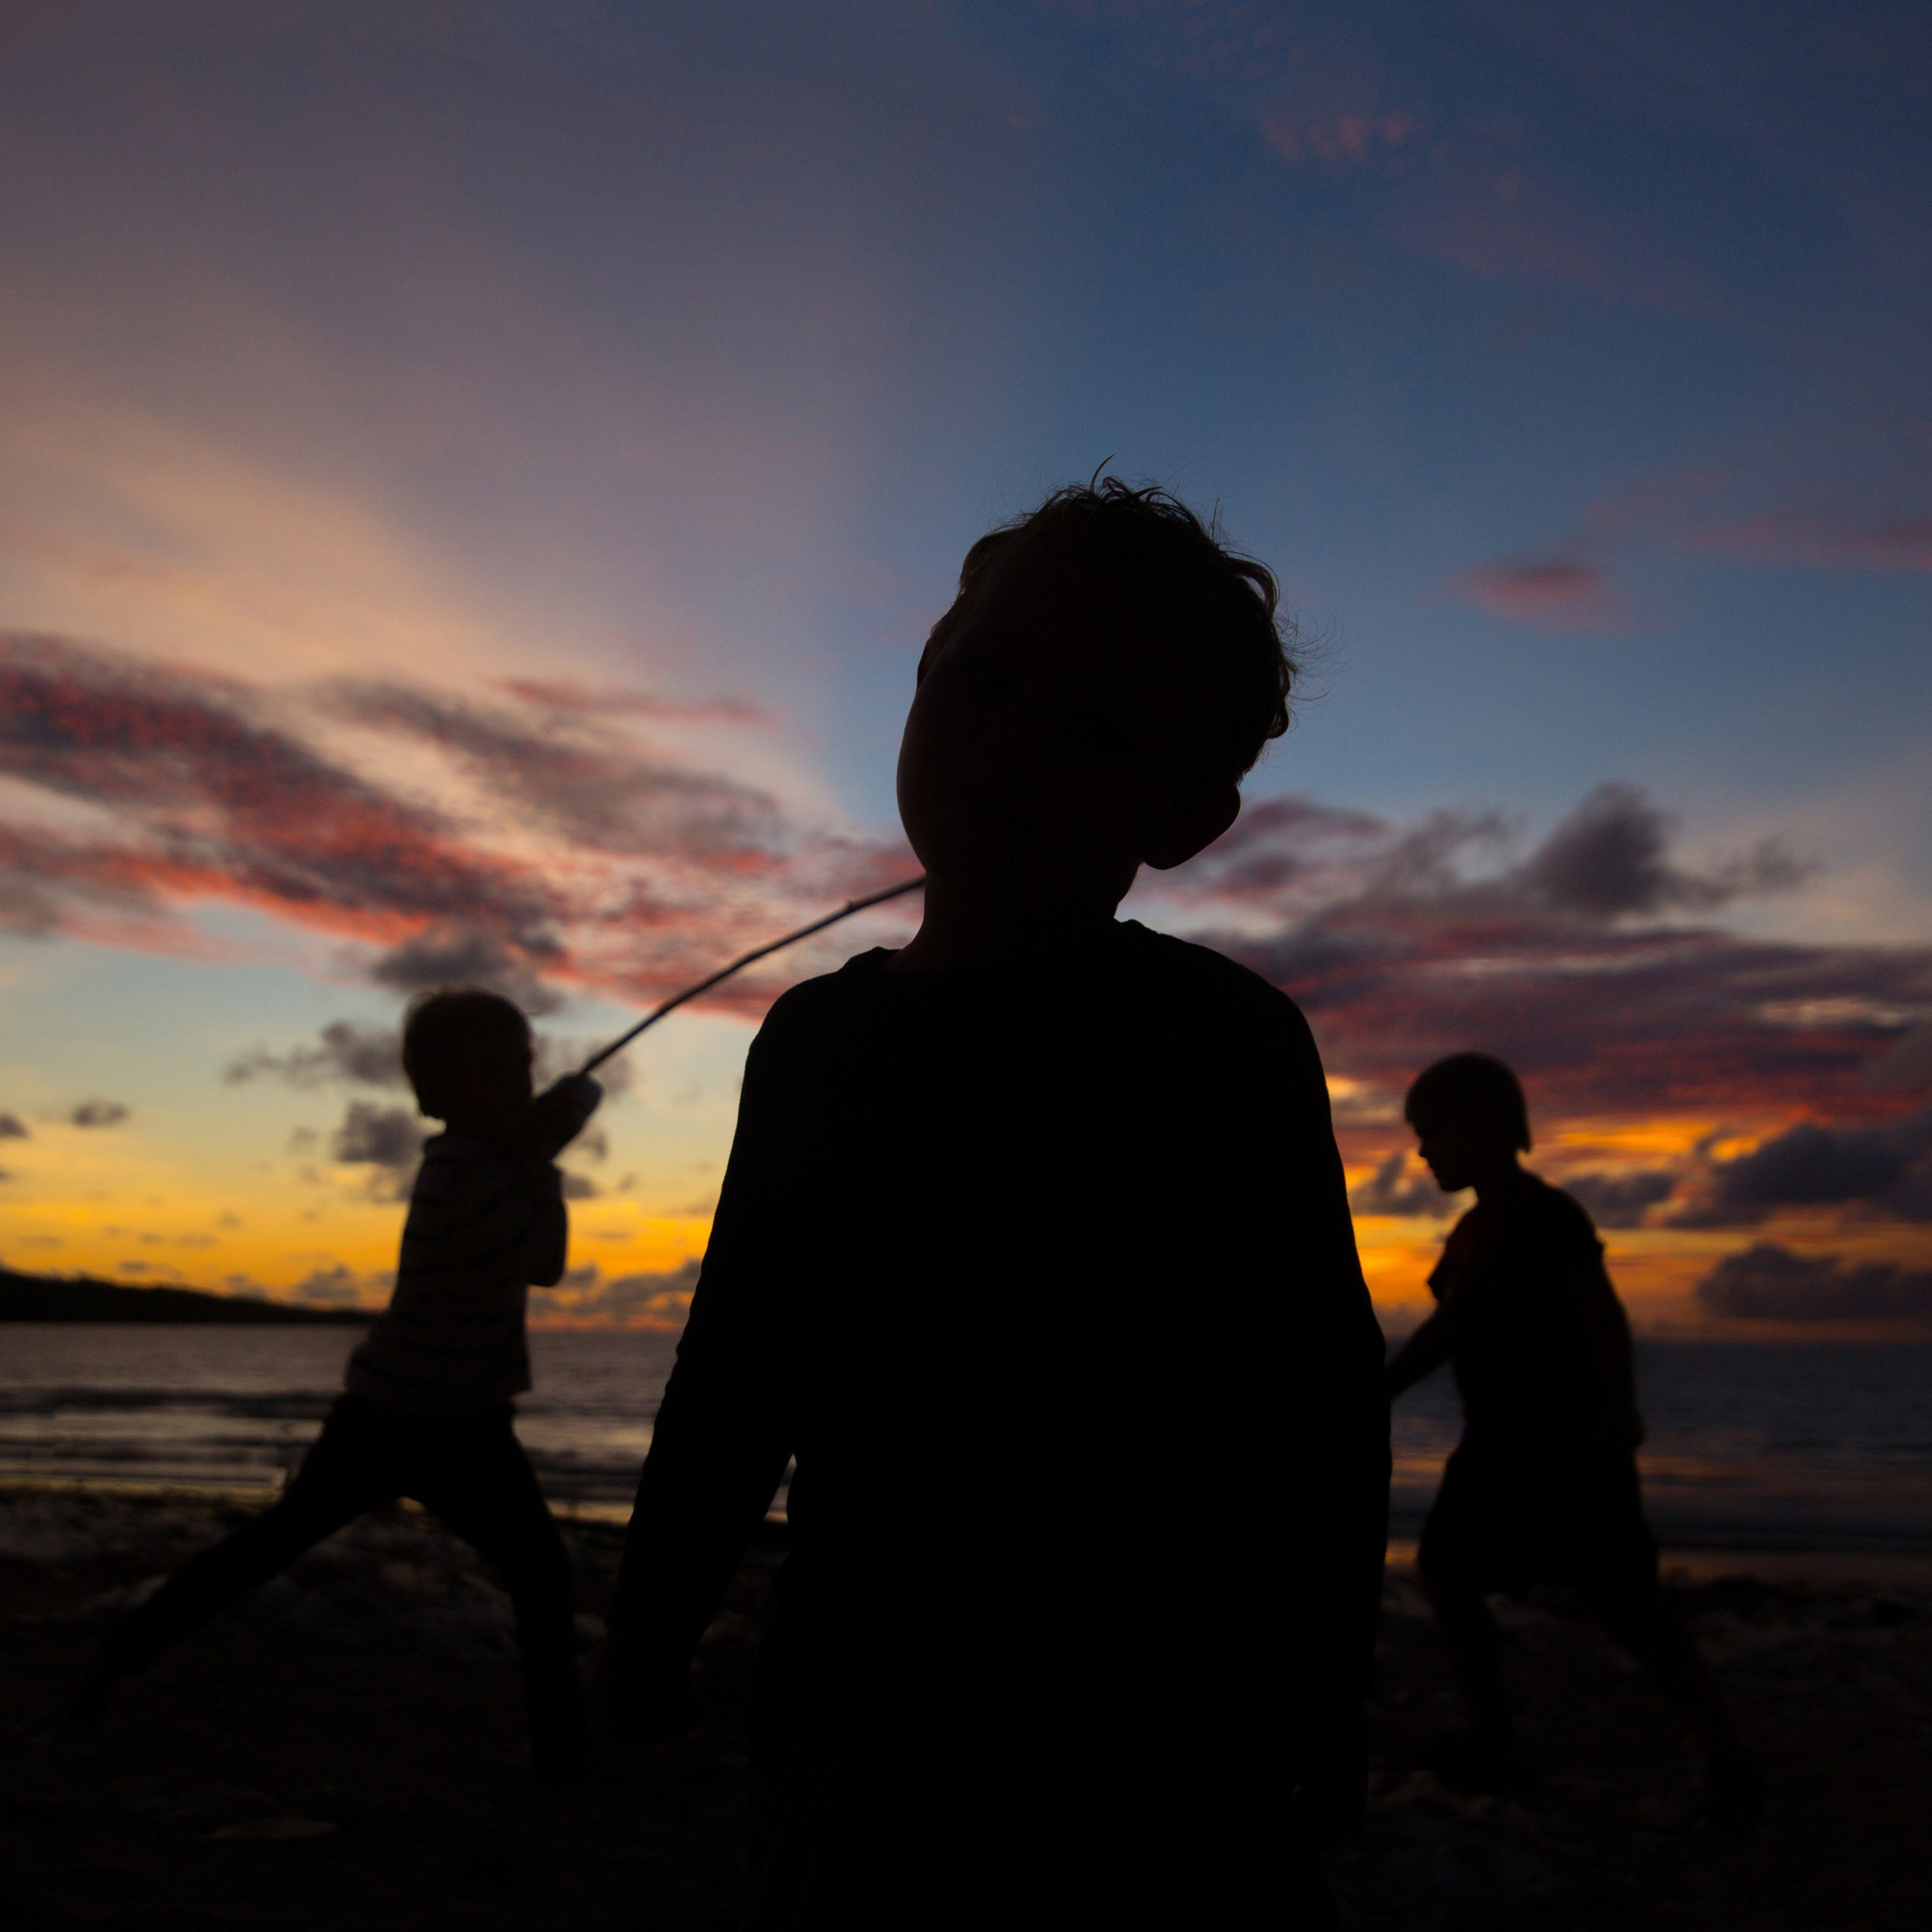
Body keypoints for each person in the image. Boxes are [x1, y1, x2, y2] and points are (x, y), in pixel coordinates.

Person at [603, 480, 1391, 1928]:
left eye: (1091, 726)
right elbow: (737, 1364)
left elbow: (1318, 1388)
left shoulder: (1222, 1043)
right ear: (920, 677)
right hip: (852, 1676)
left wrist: (1318, 1672)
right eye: (985, 682)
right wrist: (656, 1618)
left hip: (1155, 1703)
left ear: (1186, 814)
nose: (1014, 741)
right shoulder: (813, 1044)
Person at [72, 987, 601, 1774]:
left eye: (520, 1068)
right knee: (276, 1546)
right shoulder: (456, 1173)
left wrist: (534, 1152)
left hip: (464, 1418)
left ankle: (559, 1748)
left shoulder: (490, 1163)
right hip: (395, 1417)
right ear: (437, 1094)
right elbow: (546, 1261)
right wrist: (546, 1157)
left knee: (535, 1569)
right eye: (490, 1071)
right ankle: (119, 1657)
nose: (515, 1085)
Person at [1385, 1051, 1761, 1826]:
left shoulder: (1547, 1217)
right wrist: (1378, 1390)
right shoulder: (1469, 1233)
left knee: (1628, 1605)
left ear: (1484, 1125)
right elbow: (1448, 1329)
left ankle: (1726, 1756)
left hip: (1569, 1448)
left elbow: (1599, 1312)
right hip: (1495, 1445)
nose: (1423, 1152)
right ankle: (1498, 1745)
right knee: (1449, 1575)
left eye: (1433, 1133)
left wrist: (1618, 1412)